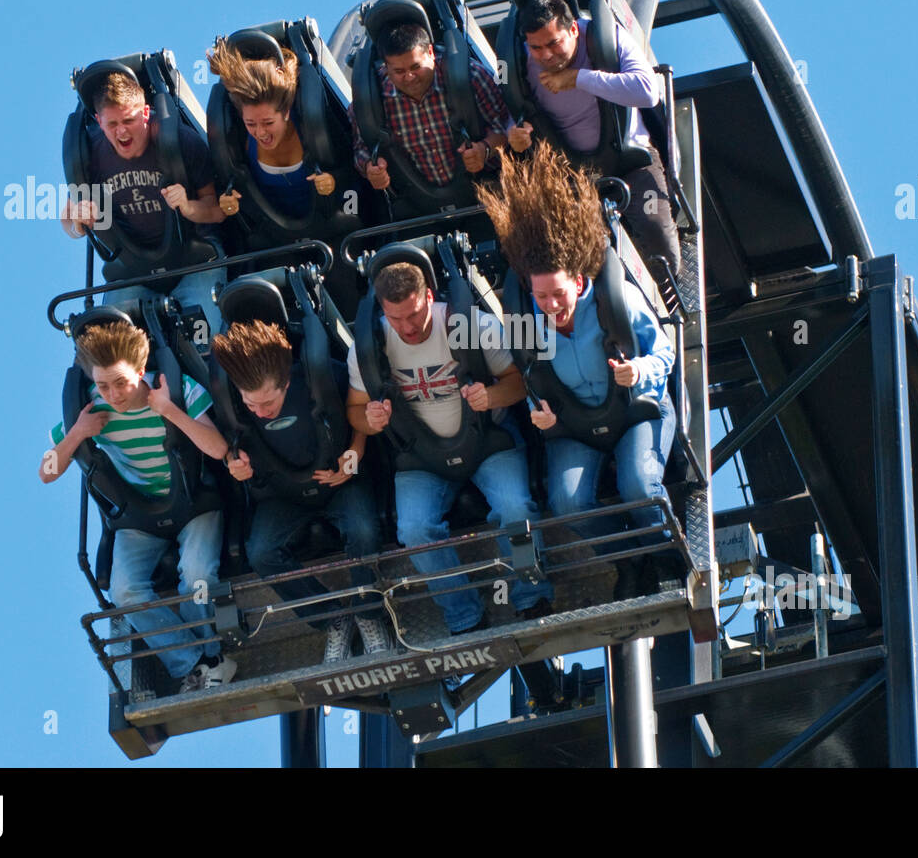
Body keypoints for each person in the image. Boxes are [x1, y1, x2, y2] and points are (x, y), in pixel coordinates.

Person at [477, 142, 678, 597]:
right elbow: (530, 378)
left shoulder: (614, 300)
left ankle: (665, 555)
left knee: (639, 487)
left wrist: (638, 372)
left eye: (559, 295)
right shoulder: (528, 320)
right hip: (577, 423)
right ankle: (626, 560)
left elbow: (664, 355)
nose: (551, 306)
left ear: (581, 280)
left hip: (635, 409)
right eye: (541, 297)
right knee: (568, 502)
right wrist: (539, 412)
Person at [345, 262, 553, 633]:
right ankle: (464, 616)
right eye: (396, 319)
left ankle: (531, 595)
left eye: (414, 314)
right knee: (414, 529)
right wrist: (371, 420)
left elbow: (520, 383)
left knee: (513, 507)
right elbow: (354, 410)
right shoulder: (369, 348)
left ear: (428, 297)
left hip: (488, 440)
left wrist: (490, 396)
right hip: (421, 455)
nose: (408, 328)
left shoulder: (470, 326)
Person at [40, 320, 236, 692]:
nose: (113, 394)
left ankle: (210, 655)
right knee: (124, 592)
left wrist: (169, 411)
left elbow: (218, 449)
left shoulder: (173, 391)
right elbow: (47, 472)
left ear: (141, 371)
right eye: (103, 385)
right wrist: (78, 432)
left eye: (121, 383)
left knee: (197, 575)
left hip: (192, 501)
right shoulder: (92, 408)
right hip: (141, 514)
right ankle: (196, 663)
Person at [211, 319, 393, 663]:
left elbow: (357, 412)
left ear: (287, 381)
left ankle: (369, 614)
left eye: (268, 403)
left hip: (339, 481)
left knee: (363, 530)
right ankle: (332, 617)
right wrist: (235, 463)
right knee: (261, 552)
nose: (260, 413)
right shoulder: (233, 404)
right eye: (253, 406)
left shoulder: (324, 377)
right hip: (283, 494)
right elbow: (229, 448)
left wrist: (353, 457)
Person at [507, 0, 682, 276]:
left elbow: (647, 90)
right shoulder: (517, 63)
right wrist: (513, 132)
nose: (547, 56)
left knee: (656, 233)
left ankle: (668, 301)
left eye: (554, 43)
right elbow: (504, 109)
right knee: (580, 260)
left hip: (631, 160)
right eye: (537, 48)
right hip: (572, 174)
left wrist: (578, 78)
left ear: (573, 29)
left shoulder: (606, 36)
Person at [60, 71, 226, 341]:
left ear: (146, 113)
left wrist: (188, 206)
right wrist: (77, 223)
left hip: (195, 262)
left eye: (129, 120)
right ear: (99, 122)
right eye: (112, 123)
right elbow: (68, 220)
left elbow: (219, 209)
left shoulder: (181, 143)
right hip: (133, 271)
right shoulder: (91, 158)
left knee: (204, 345)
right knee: (115, 352)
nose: (121, 131)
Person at [347, 22, 509, 193]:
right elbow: (360, 149)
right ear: (386, 68)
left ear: (431, 53)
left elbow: (505, 125)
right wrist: (370, 168)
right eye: (399, 71)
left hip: (486, 190)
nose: (409, 77)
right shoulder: (368, 100)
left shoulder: (470, 77)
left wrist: (484, 149)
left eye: (416, 67)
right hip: (416, 203)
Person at [206, 38, 338, 222]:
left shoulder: (312, 126)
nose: (260, 133)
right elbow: (227, 182)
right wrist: (229, 199)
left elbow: (349, 165)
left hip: (331, 226)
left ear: (286, 111)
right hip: (277, 241)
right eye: (251, 124)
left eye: (268, 123)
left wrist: (333, 181)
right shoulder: (237, 141)